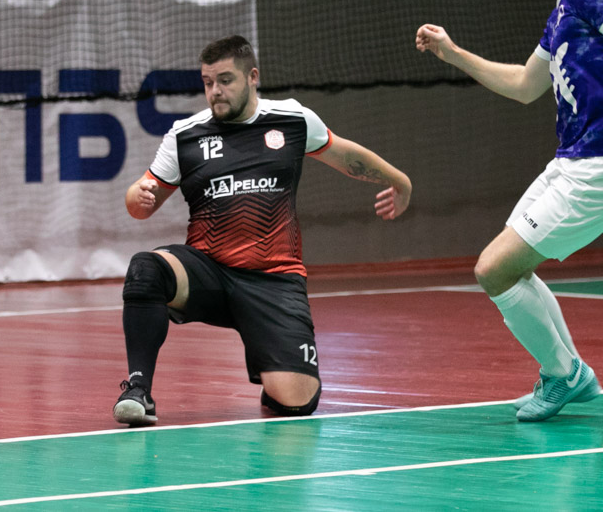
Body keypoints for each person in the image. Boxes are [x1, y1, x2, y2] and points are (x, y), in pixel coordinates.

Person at [415, 0, 603, 422]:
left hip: (600, 166)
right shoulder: (561, 12)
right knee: (512, 268)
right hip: (569, 160)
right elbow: (524, 85)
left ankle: (562, 374)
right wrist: (453, 53)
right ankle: (568, 371)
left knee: (494, 269)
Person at [113, 35, 412, 426]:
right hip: (210, 274)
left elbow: (346, 156)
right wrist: (139, 196)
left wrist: (399, 181)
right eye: (207, 82)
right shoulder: (185, 135)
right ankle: (138, 390)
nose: (215, 91)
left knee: (297, 405)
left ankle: (269, 360)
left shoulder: (292, 119)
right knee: (146, 269)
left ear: (252, 77)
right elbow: (139, 204)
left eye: (225, 80)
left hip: (274, 280)